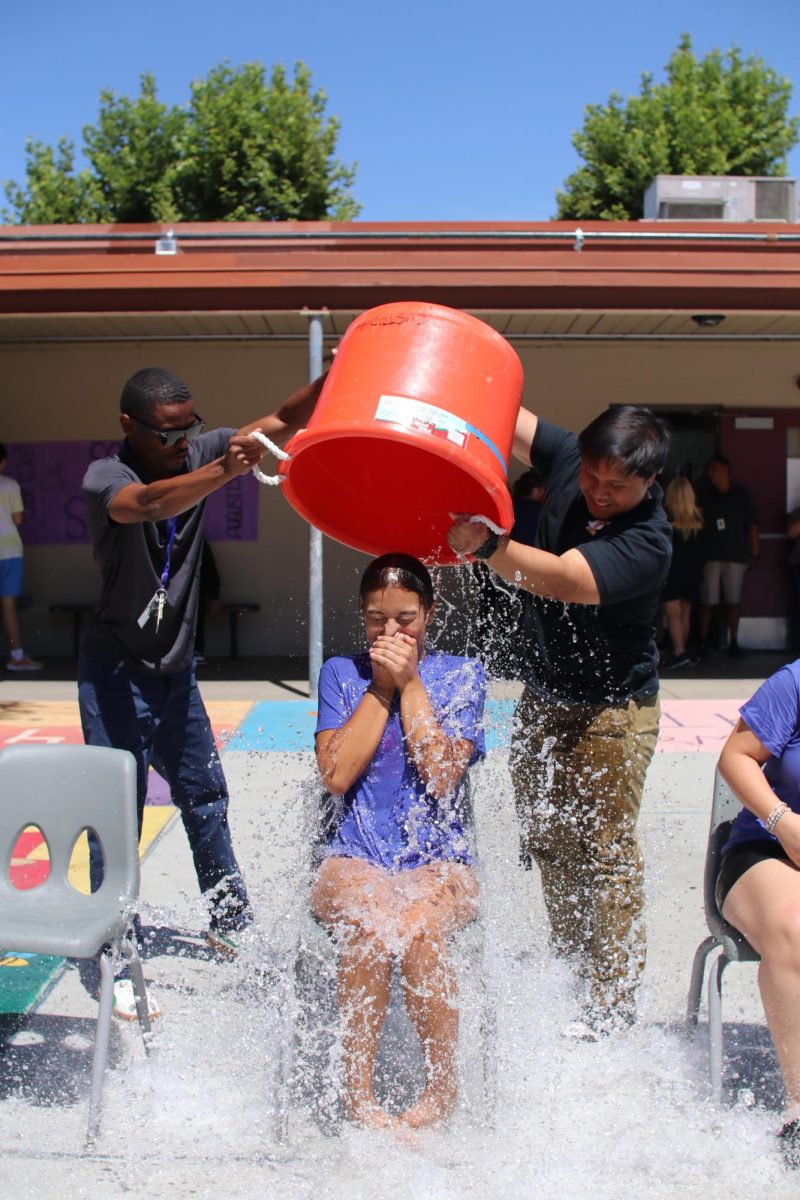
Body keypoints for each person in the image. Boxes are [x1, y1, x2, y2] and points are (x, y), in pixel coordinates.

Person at [80, 366, 324, 999]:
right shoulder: (106, 477)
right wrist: (226, 469)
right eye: (167, 433)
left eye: (190, 425)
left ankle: (230, 922)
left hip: (176, 672)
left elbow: (281, 419)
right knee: (116, 810)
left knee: (205, 799)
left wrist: (338, 373)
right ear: (128, 426)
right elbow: (152, 505)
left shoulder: (200, 445)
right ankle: (110, 940)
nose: (182, 440)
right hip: (115, 671)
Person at [448, 404, 672, 1039]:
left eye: (616, 488)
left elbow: (566, 580)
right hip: (545, 694)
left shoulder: (649, 541)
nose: (598, 493)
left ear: (649, 483)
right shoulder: (575, 456)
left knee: (605, 854)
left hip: (611, 711)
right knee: (548, 841)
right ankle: (571, 967)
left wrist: (491, 547)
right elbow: (503, 416)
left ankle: (613, 1002)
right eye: (594, 479)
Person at [311, 553, 486, 1130]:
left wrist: (409, 683)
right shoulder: (342, 672)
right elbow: (337, 775)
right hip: (355, 854)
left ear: (429, 614)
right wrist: (381, 689)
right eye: (375, 622)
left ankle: (442, 1083)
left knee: (413, 924)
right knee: (366, 921)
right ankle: (357, 1091)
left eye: (405, 620)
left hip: (440, 859)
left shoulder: (461, 674)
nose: (390, 634)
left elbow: (440, 776)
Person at [717, 660, 800, 1169]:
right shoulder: (794, 682)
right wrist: (783, 822)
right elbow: (736, 757)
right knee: (795, 929)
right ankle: (799, 1108)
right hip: (771, 848)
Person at [697, 455, 759, 659]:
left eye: (713, 469)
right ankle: (702, 642)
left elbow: (752, 526)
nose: (710, 474)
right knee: (707, 601)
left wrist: (755, 553)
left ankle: (734, 641)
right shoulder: (705, 495)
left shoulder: (742, 495)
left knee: (733, 600)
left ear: (725, 471)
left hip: (735, 555)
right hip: (710, 556)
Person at [0, 443, 42, 672]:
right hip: (8, 551)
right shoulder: (9, 485)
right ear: (3, 461)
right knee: (8, 606)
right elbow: (17, 519)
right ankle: (16, 656)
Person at [661, 475, 704, 670]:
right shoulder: (699, 518)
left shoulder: (665, 517)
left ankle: (678, 651)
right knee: (685, 612)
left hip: (672, 571)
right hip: (693, 571)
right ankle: (682, 650)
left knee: (673, 613)